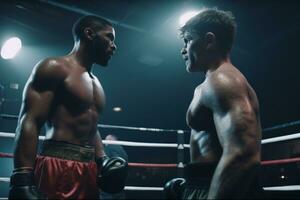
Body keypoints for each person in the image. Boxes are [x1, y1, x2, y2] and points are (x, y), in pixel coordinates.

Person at [9, 15, 128, 199]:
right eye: (109, 37)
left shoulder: (96, 83)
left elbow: (91, 126)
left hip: (89, 170)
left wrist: (102, 159)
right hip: (56, 165)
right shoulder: (54, 67)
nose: (114, 46)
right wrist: (22, 177)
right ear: (89, 34)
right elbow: (30, 120)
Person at [164, 8, 262, 199]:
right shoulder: (214, 82)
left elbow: (242, 154)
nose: (183, 49)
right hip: (207, 183)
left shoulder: (223, 81)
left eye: (188, 40)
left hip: (217, 187)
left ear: (209, 41)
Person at [100, 134, 129, 199]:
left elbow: (116, 163)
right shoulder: (123, 151)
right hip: (119, 187)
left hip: (108, 188)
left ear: (110, 140)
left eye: (106, 140)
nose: (105, 142)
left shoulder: (109, 148)